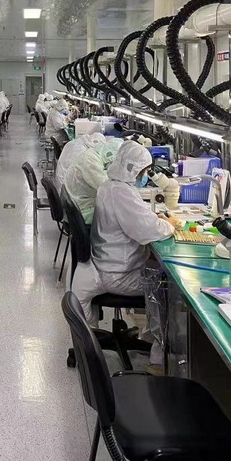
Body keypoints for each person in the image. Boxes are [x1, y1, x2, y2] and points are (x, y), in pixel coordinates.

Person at [71, 140, 181, 368]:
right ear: (134, 169)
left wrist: (154, 219)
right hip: (118, 275)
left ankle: (150, 339)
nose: (146, 176)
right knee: (168, 287)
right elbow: (147, 230)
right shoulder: (121, 193)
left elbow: (137, 220)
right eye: (144, 171)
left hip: (106, 264)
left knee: (156, 269)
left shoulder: (110, 185)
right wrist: (170, 225)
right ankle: (159, 357)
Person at [63, 138, 123, 224]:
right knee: (122, 216)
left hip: (79, 203)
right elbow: (107, 188)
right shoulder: (90, 161)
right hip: (82, 211)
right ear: (111, 155)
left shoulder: (93, 155)